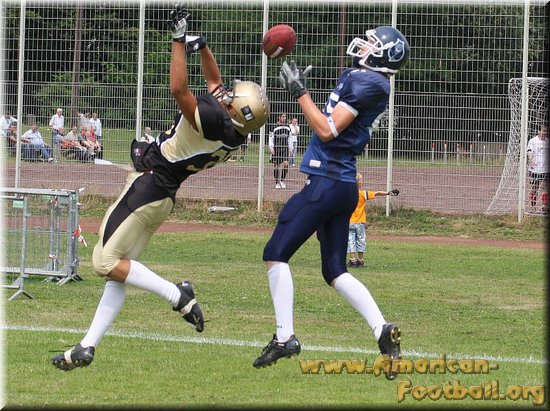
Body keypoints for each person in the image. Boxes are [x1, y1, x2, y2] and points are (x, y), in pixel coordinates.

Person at [51, 4, 269, 371]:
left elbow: (179, 89)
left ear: (234, 112)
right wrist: (203, 48)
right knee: (120, 270)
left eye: (233, 98)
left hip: (148, 186)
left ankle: (177, 295)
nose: (228, 94)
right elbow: (215, 84)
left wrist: (178, 40)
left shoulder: (212, 120)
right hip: (163, 197)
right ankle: (87, 346)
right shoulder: (233, 133)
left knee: (103, 262)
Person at [253, 26, 409, 380]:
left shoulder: (369, 83)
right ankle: (383, 330)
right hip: (340, 184)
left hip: (327, 182)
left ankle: (284, 337)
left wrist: (300, 93)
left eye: (373, 43)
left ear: (384, 54)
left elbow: (327, 130)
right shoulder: (363, 78)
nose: (364, 45)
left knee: (275, 253)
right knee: (335, 271)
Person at [347, 173, 399, 268]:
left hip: (349, 222)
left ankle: (353, 260)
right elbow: (377, 193)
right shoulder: (363, 194)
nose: (362, 182)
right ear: (358, 183)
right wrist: (388, 193)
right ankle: (360, 260)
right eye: (361, 180)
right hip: (360, 222)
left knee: (350, 241)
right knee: (361, 240)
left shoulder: (347, 194)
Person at [526, 123, 548, 213]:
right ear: (539, 131)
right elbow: (529, 151)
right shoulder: (533, 141)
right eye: (543, 131)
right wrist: (531, 160)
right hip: (535, 169)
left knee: (545, 187)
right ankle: (533, 206)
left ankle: (544, 206)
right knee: (535, 187)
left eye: (546, 131)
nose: (545, 133)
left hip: (545, 169)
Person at [268, 113, 291, 188]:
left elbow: (290, 138)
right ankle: (277, 182)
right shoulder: (274, 126)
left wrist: (290, 148)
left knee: (286, 164)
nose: (285, 118)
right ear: (279, 117)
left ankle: (282, 180)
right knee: (276, 166)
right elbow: (270, 138)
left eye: (285, 117)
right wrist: (271, 148)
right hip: (276, 148)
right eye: (283, 117)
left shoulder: (288, 127)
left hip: (285, 148)